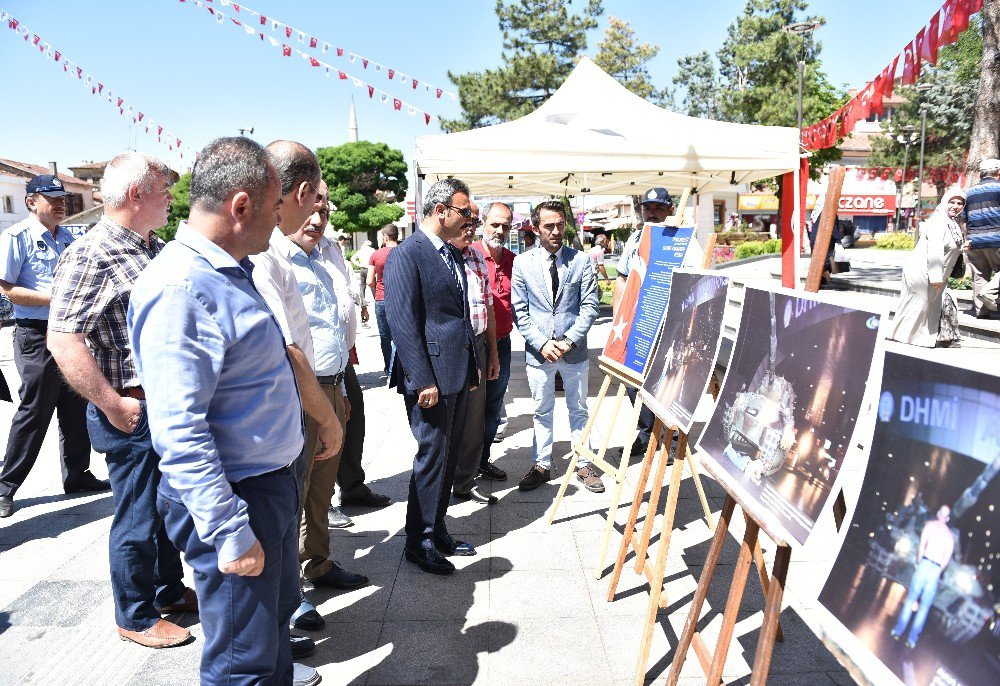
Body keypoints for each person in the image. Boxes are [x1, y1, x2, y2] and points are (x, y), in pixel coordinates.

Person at [128, 136, 318, 686]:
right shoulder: (182, 288)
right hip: (236, 496)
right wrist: (229, 531)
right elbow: (180, 431)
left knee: (269, 637)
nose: (282, 218)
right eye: (276, 204)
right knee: (244, 664)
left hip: (267, 482)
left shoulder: (227, 269)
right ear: (241, 207)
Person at [47, 153, 195, 648]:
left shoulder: (152, 247)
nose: (172, 198)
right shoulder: (91, 253)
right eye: (164, 189)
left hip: (165, 405)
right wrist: (111, 403)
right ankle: (134, 615)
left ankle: (168, 591)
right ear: (137, 195)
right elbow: (64, 339)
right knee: (137, 518)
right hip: (132, 409)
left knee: (165, 508)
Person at [250, 142, 367, 639]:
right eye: (311, 201)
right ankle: (291, 594)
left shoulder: (329, 254)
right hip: (301, 388)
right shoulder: (269, 255)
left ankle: (317, 562)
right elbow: (289, 339)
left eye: (325, 205)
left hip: (334, 378)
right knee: (290, 491)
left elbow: (341, 313)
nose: (319, 212)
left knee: (322, 482)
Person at [384, 178, 479, 575]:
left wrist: (471, 365)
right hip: (430, 380)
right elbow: (403, 324)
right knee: (431, 457)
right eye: (465, 212)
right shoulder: (408, 253)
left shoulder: (451, 253)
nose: (469, 220)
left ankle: (437, 528)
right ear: (441, 210)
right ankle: (417, 541)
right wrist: (423, 381)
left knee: (446, 456)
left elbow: (458, 317)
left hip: (455, 373)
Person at [0, 174, 107, 519]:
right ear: (31, 202)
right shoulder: (16, 238)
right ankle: (4, 487)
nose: (61, 204)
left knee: (76, 406)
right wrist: (57, 297)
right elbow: (7, 288)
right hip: (35, 334)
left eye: (63, 199)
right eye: (52, 198)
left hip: (70, 332)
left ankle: (77, 475)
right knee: (35, 410)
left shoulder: (70, 237)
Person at [512, 200, 602, 493]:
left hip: (573, 350)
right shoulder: (522, 263)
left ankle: (584, 463)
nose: (555, 231)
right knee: (541, 410)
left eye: (560, 224)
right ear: (537, 228)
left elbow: (590, 305)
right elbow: (519, 310)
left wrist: (568, 340)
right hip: (539, 352)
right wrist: (541, 343)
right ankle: (541, 464)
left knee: (579, 408)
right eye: (548, 225)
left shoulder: (581, 260)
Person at [614, 187, 674, 458]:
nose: (652, 213)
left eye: (658, 208)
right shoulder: (635, 239)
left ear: (669, 210)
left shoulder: (681, 241)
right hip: (636, 324)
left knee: (666, 381)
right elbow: (622, 279)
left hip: (667, 326)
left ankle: (670, 438)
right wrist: (618, 323)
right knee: (633, 382)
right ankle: (646, 432)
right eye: (648, 208)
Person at [450, 203, 500, 505]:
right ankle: (442, 482)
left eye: (475, 221)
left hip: (478, 346)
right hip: (449, 351)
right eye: (466, 218)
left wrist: (492, 352)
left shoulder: (477, 257)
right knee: (447, 420)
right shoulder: (438, 256)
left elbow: (489, 307)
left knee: (474, 420)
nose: (471, 225)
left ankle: (465, 482)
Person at [885, 191, 966, 347]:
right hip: (924, 271)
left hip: (933, 272)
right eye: (952, 202)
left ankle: (913, 337)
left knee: (924, 305)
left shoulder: (951, 224)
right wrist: (936, 278)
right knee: (918, 305)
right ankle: (905, 337)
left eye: (959, 203)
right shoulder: (939, 222)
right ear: (944, 202)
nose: (955, 206)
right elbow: (935, 249)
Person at [472, 202, 515, 479]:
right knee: (470, 408)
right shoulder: (468, 255)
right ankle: (465, 465)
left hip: (502, 342)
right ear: (483, 224)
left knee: (493, 405)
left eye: (506, 226)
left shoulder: (513, 260)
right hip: (475, 344)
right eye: (495, 224)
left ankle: (482, 460)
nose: (500, 230)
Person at [891, 505, 955, 649]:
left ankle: (897, 631)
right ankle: (912, 640)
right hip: (935, 569)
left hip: (924, 563)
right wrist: (937, 571)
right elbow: (946, 559)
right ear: (948, 518)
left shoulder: (929, 526)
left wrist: (920, 562)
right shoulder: (949, 537)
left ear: (938, 513)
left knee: (911, 599)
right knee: (924, 607)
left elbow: (921, 546)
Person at [963, 158, 1000, 318]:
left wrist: (967, 239)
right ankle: (989, 293)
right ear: (998, 173)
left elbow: (964, 220)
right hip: (996, 239)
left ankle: (981, 311)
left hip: (974, 241)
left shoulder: (969, 192)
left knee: (979, 276)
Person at [367, 224, 399, 374]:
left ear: (385, 237)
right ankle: (400, 367)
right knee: (401, 334)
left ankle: (389, 368)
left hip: (381, 298)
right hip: (401, 299)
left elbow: (369, 281)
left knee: (385, 336)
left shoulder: (376, 255)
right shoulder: (404, 251)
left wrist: (378, 286)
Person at [351, 239, 376, 306]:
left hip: (362, 269)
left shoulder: (360, 251)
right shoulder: (372, 250)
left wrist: (358, 264)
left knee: (362, 285)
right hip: (370, 269)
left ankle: (362, 301)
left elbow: (352, 258)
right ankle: (376, 300)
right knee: (372, 285)